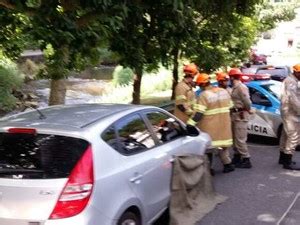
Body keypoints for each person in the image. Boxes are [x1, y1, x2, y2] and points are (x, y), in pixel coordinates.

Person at [187, 73, 234, 173]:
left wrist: (190, 124)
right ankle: (228, 164)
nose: (200, 87)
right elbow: (231, 106)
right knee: (223, 146)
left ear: (203, 84)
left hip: (210, 127)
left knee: (208, 149)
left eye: (200, 85)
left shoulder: (204, 95)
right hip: (224, 125)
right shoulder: (223, 91)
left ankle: (209, 169)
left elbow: (199, 113)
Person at [229, 68, 252, 168]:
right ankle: (237, 156)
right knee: (235, 138)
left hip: (241, 115)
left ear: (232, 77)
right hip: (235, 115)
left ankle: (246, 159)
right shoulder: (235, 87)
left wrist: (246, 109)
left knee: (240, 139)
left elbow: (247, 102)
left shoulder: (241, 87)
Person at [278, 64, 300, 170]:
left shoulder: (289, 80)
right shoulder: (291, 82)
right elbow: (294, 99)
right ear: (296, 72)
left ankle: (282, 158)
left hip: (286, 111)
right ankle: (287, 162)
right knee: (293, 136)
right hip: (291, 113)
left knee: (285, 135)